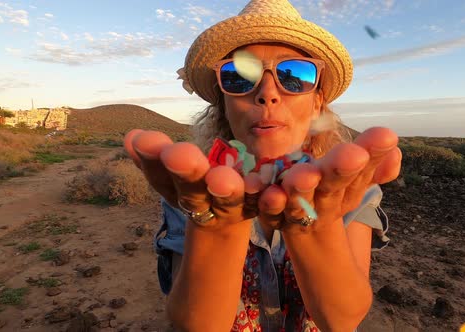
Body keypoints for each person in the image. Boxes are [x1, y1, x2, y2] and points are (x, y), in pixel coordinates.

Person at [123, 0, 402, 331]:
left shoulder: (348, 186)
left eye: (294, 75)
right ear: (222, 102)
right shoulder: (194, 188)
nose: (268, 93)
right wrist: (218, 231)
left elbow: (342, 320)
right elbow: (196, 324)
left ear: (317, 101)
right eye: (240, 76)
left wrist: (320, 229)